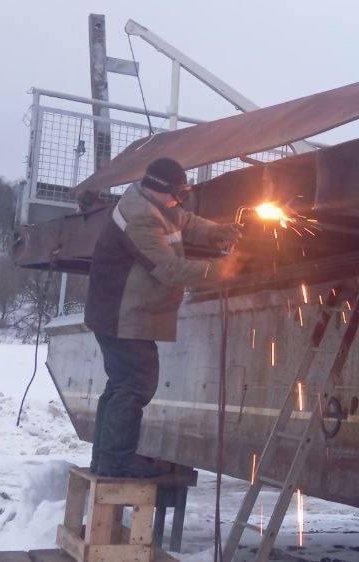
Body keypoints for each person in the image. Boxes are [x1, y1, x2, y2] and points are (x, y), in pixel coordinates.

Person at [84, 157, 242, 478]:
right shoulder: (141, 217)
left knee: (120, 385)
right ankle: (116, 463)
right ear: (160, 188)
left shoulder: (154, 202)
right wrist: (220, 271)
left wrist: (217, 232)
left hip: (121, 313)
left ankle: (105, 460)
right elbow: (170, 270)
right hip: (122, 316)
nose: (179, 200)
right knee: (135, 385)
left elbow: (185, 221)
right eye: (176, 193)